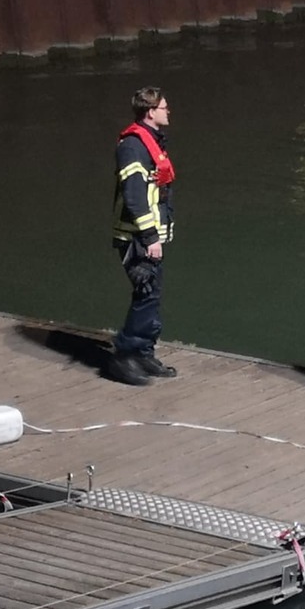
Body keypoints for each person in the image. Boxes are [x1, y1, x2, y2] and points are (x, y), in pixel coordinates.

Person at [108, 87, 178, 387]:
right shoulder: (134, 147)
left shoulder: (151, 143)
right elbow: (135, 197)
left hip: (147, 237)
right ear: (150, 111)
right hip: (136, 238)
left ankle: (144, 352)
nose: (168, 111)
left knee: (151, 295)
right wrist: (150, 237)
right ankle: (124, 357)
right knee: (146, 293)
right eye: (164, 107)